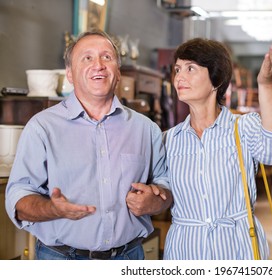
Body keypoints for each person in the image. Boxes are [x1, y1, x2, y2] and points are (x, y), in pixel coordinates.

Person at [5, 30, 172, 260]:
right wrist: (52, 209)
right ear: (70, 74)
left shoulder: (146, 129)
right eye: (87, 58)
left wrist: (156, 200)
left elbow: (165, 184)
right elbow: (18, 196)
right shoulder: (42, 127)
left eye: (107, 57)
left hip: (129, 257)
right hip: (61, 260)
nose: (99, 65)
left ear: (118, 72)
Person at [162, 38, 272, 260]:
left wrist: (266, 83)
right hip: (185, 250)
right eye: (177, 69)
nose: (179, 77)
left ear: (216, 80)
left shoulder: (242, 127)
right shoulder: (169, 140)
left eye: (190, 68)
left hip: (237, 249)